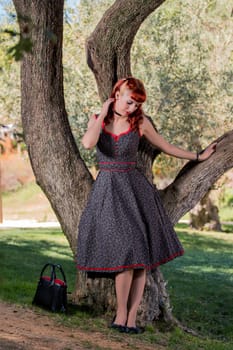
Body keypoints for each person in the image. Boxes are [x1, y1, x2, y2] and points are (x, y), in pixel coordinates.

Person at [76, 77, 216, 334]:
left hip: (134, 191)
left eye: (136, 103)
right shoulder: (98, 119)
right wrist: (104, 112)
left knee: (139, 256)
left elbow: (166, 146)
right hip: (107, 191)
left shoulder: (140, 122)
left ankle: (130, 319)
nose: (132, 107)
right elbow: (87, 143)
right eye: (129, 101)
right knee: (124, 254)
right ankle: (120, 315)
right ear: (117, 94)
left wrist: (199, 156)